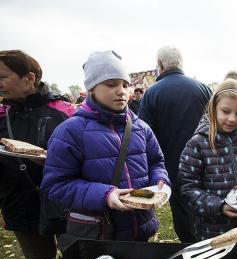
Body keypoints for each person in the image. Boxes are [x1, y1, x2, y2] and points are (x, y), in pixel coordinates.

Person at [41, 50, 170, 241]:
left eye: (125, 85)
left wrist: (160, 180)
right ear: (92, 88)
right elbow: (56, 186)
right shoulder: (70, 131)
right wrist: (105, 195)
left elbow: (156, 162)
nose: (121, 91)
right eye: (111, 84)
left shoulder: (141, 128)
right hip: (99, 236)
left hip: (141, 230)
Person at [0, 50, 75, 259]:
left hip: (64, 203)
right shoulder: (1, 115)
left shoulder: (64, 111)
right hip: (19, 204)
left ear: (30, 78)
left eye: (3, 76)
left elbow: (87, 156)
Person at [178, 79, 237, 241]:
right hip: (210, 232)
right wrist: (219, 206)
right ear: (214, 108)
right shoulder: (198, 144)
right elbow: (187, 188)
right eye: (226, 111)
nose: (232, 119)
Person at [139, 46, 211, 243]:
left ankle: (191, 248)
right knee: (206, 208)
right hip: (207, 166)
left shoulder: (151, 94)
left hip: (172, 168)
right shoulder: (203, 89)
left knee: (182, 216)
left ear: (160, 64)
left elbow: (145, 137)